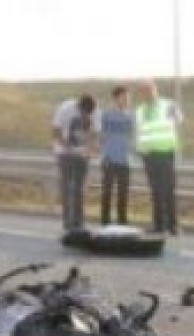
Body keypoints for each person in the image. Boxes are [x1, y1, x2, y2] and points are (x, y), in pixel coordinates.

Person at [135, 80, 182, 236]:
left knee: (168, 189)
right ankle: (159, 225)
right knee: (155, 191)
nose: (147, 93)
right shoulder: (140, 110)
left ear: (155, 89)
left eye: (149, 89)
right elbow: (140, 132)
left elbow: (179, 119)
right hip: (149, 155)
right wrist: (141, 150)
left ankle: (173, 226)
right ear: (140, 93)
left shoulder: (168, 105)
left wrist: (173, 114)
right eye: (143, 90)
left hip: (165, 152)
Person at [51, 93, 97, 235]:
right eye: (83, 113)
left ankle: (78, 222)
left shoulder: (93, 112)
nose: (85, 116)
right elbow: (55, 131)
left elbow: (92, 133)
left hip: (81, 154)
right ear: (79, 107)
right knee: (68, 187)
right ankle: (68, 222)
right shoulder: (65, 108)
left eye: (88, 114)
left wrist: (89, 149)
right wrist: (67, 146)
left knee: (79, 189)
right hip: (64, 153)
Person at [99, 85, 135, 226]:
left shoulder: (130, 116)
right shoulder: (106, 115)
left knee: (123, 193)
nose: (127, 100)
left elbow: (132, 137)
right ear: (115, 98)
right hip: (109, 160)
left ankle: (122, 222)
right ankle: (105, 222)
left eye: (128, 98)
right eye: (124, 97)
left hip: (125, 160)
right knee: (107, 192)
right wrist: (104, 154)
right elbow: (100, 136)